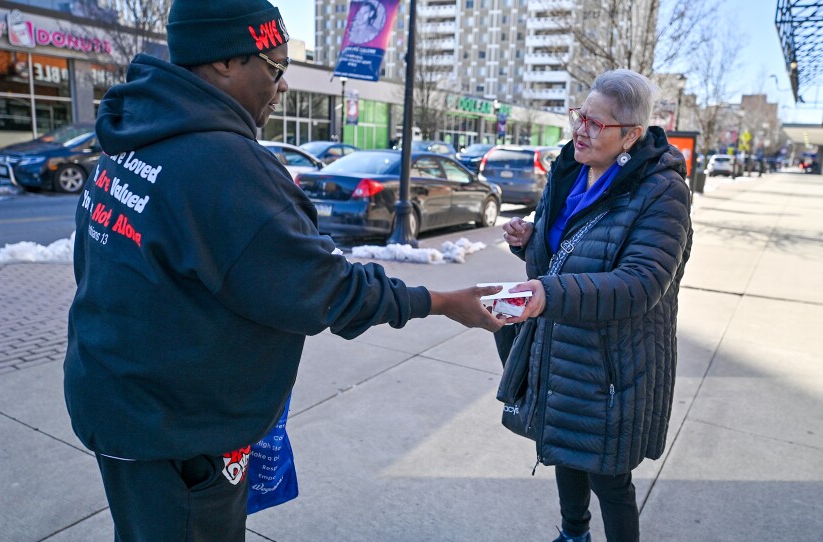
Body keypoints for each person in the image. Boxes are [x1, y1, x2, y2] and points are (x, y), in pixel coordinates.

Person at [62, 1, 503, 539]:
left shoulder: (133, 137)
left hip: (117, 402)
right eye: (274, 68)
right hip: (176, 432)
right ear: (225, 62)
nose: (284, 85)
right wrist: (440, 302)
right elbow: (329, 290)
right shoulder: (225, 167)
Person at [500, 69, 693, 542]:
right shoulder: (569, 171)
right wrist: (530, 243)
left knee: (608, 475)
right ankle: (573, 534)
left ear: (631, 134)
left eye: (595, 123)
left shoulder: (663, 192)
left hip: (610, 363)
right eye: (579, 117)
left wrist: (550, 294)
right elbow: (560, 259)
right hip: (559, 343)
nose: (580, 130)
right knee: (564, 449)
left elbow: (641, 283)